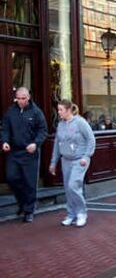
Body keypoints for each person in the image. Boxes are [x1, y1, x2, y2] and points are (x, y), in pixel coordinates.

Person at [1, 87, 48, 222]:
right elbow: (5, 129)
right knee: (11, 178)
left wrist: (36, 143)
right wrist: (4, 141)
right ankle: (22, 202)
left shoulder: (36, 112)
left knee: (29, 182)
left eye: (23, 98)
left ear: (28, 97)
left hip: (29, 152)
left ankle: (29, 210)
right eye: (18, 98)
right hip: (14, 152)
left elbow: (43, 130)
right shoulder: (10, 112)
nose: (20, 101)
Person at [49, 100, 96, 227]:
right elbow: (57, 145)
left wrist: (86, 156)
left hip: (79, 160)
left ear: (69, 110)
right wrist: (53, 162)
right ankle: (71, 214)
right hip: (66, 160)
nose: (58, 112)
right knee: (67, 188)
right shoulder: (60, 125)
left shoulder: (80, 122)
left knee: (73, 185)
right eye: (58, 110)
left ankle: (81, 213)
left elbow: (91, 139)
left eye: (61, 110)